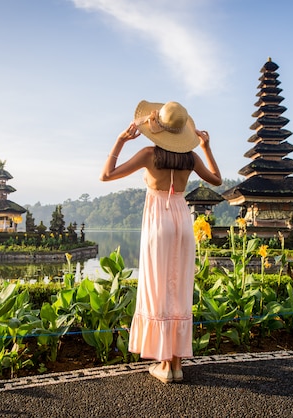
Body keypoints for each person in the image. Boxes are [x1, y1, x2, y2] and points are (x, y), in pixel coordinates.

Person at [100, 100, 222, 383]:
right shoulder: (190, 158)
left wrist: (120, 140)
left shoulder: (148, 154)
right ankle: (177, 364)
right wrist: (206, 147)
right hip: (182, 218)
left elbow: (106, 175)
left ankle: (165, 365)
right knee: (178, 287)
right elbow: (216, 179)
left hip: (158, 220)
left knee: (158, 288)